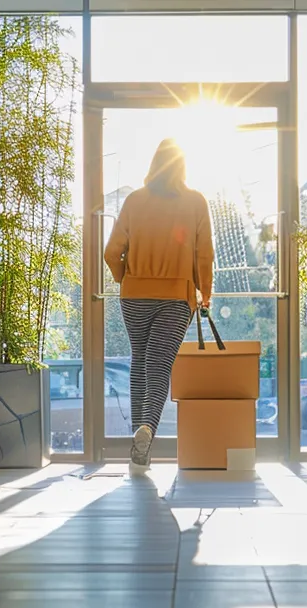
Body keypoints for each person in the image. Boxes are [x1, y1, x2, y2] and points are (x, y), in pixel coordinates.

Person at [103, 138, 214, 473]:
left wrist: (126, 277)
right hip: (175, 297)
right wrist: (204, 294)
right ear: (182, 166)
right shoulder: (195, 202)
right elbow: (204, 255)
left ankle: (140, 456)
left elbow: (111, 252)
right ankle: (148, 428)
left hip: (134, 296)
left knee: (140, 363)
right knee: (159, 367)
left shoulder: (135, 201)